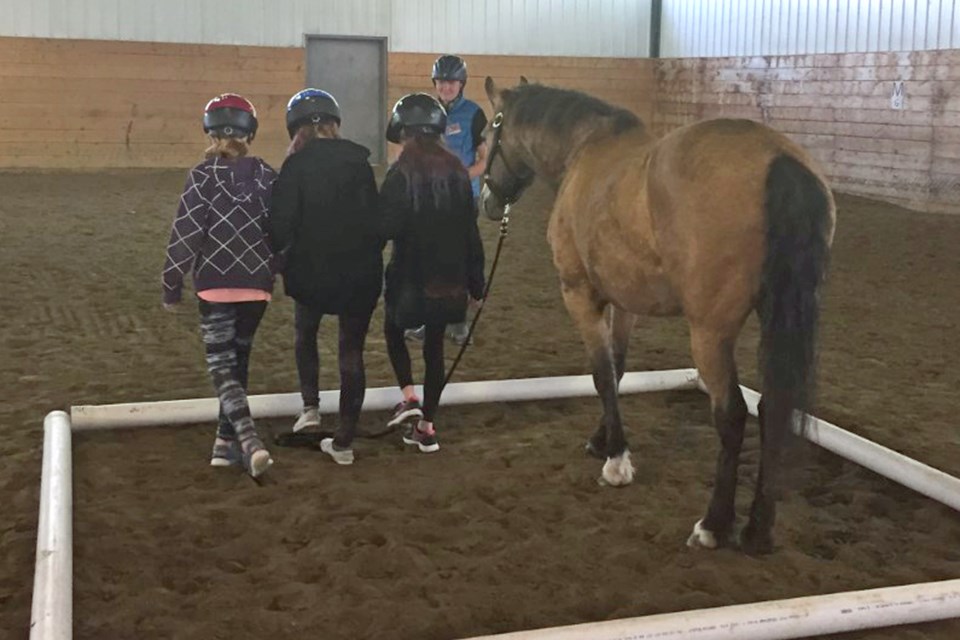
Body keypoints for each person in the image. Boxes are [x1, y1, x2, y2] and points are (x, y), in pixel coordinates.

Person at [161, 93, 276, 478]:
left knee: (222, 369)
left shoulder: (201, 176)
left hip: (214, 285)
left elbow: (186, 232)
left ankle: (249, 439)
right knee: (238, 362)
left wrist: (172, 282)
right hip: (257, 287)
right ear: (251, 132)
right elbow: (279, 231)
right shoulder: (266, 176)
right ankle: (224, 444)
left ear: (208, 131)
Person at [268, 88, 382, 466]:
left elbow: (280, 228)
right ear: (335, 123)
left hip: (312, 274)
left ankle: (310, 407)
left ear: (295, 129)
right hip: (360, 272)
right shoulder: (361, 163)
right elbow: (375, 221)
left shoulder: (295, 167)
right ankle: (344, 442)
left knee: (306, 332)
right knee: (351, 351)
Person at [381, 93, 485, 453]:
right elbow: (471, 234)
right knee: (436, 349)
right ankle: (427, 426)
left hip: (410, 283)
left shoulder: (400, 174)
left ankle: (409, 396)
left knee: (392, 330)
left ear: (403, 132)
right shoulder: (458, 172)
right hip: (451, 284)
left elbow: (385, 227)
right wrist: (477, 283)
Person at [405, 54, 488, 346]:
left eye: (452, 81)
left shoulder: (474, 114)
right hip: (430, 198)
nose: (446, 87)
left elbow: (484, 159)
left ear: (461, 83)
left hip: (464, 198)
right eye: (441, 81)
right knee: (431, 261)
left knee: (459, 262)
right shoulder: (426, 111)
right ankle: (431, 322)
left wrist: (463, 177)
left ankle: (459, 323)